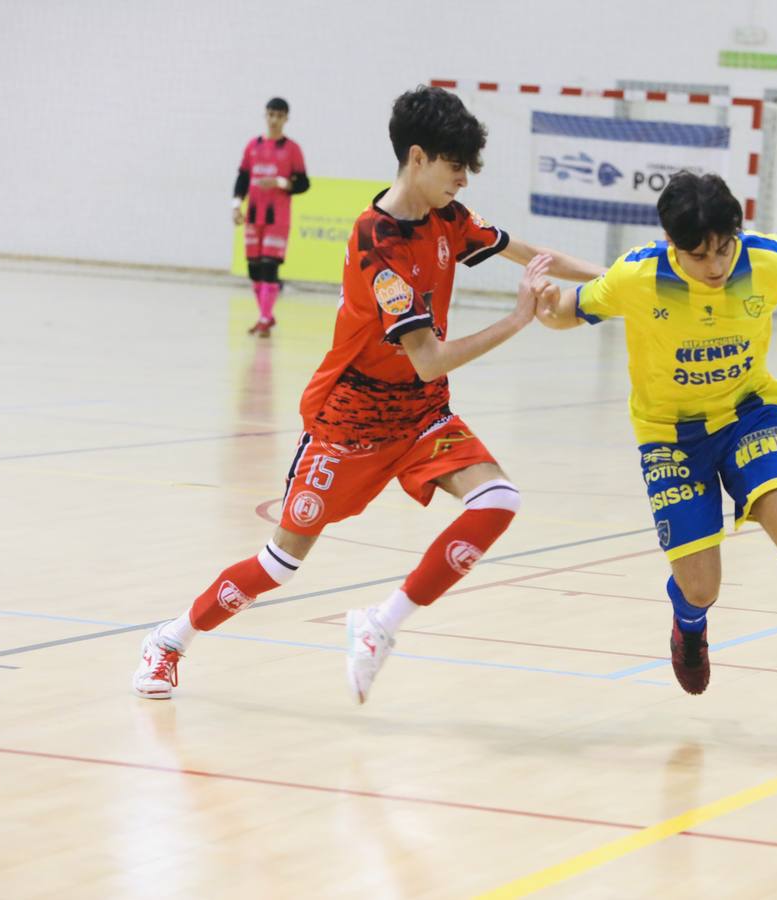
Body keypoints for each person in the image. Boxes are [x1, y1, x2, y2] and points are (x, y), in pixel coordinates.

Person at [136, 86, 602, 703]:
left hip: (421, 415)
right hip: (348, 423)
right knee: (279, 565)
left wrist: (624, 278)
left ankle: (381, 626)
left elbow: (534, 253)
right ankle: (170, 641)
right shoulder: (375, 243)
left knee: (498, 499)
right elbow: (429, 357)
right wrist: (518, 320)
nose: (463, 180)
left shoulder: (449, 220)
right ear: (417, 157)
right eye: (454, 165)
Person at [532, 172, 777, 745]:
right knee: (699, 588)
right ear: (673, 246)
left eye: (723, 248)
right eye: (699, 256)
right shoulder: (638, 276)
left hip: (749, 416)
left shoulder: (769, 262)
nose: (715, 265)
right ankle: (689, 624)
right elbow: (569, 310)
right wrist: (546, 305)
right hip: (670, 436)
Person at [233, 97, 310, 337]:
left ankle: (265, 317)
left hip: (277, 217)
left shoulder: (292, 149)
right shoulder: (252, 146)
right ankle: (266, 314)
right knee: (254, 268)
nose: (274, 120)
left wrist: (279, 182)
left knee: (269, 265)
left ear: (286, 118)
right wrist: (236, 205)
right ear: (265, 116)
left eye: (279, 115)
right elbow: (243, 177)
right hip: (254, 216)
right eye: (271, 115)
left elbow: (303, 183)